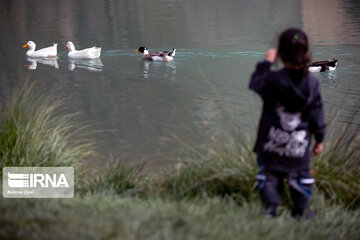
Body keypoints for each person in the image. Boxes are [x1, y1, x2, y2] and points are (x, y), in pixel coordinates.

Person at [249, 28, 326, 219]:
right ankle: (302, 214)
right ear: (307, 54)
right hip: (298, 150)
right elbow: (317, 114)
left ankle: (269, 213)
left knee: (269, 181)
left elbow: (255, 82)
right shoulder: (311, 84)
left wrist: (266, 63)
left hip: (270, 149)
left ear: (280, 55)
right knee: (300, 182)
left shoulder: (272, 80)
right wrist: (319, 139)